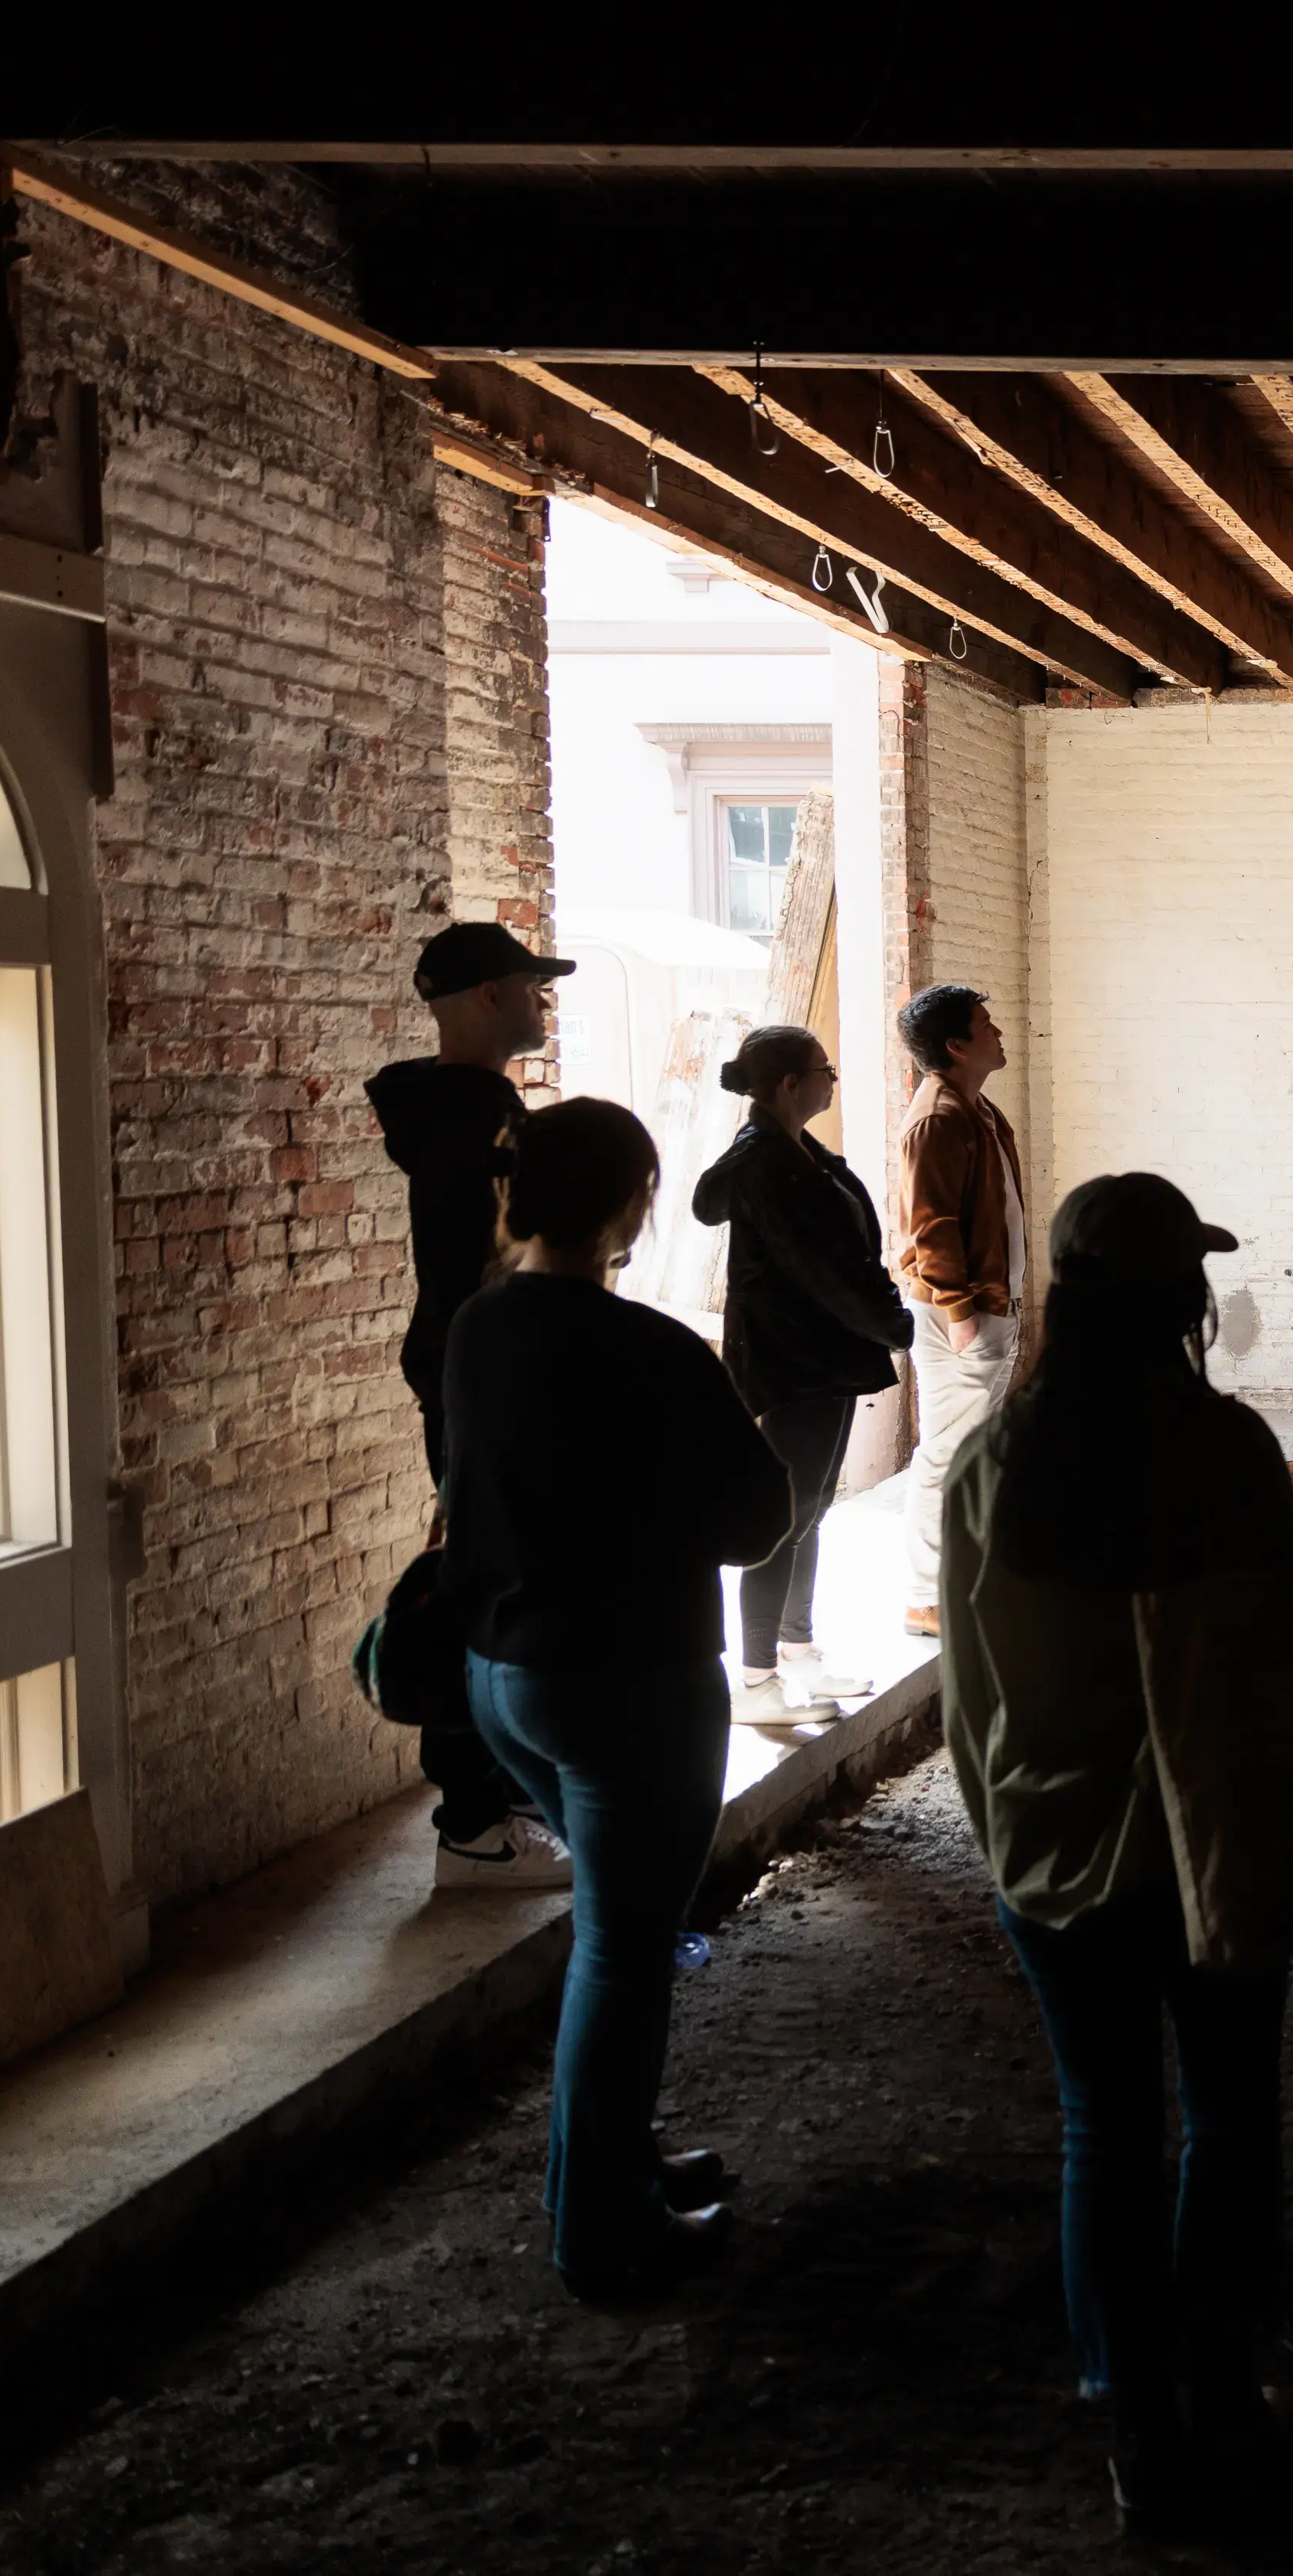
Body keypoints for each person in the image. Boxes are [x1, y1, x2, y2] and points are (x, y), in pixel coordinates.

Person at [943, 1174, 1293, 2536]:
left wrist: (1010, 1841)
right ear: (1180, 1298)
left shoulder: (992, 1463)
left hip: (1061, 1851)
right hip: (1216, 1838)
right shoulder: (1222, 1452)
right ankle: (1225, 2388)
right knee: (1229, 2117)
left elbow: (971, 1699)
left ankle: (1134, 2422)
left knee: (1103, 2126)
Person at [439, 1099, 794, 2301]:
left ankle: (616, 2164)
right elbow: (757, 1523)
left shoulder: (477, 1329)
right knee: (624, 1951)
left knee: (615, 1924)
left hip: (503, 1678)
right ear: (633, 1199)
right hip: (629, 1683)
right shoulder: (656, 1353)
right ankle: (598, 2225)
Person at [366, 919, 576, 1892]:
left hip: (481, 1387)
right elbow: (474, 1282)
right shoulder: (471, 1126)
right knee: (479, 1595)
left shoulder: (472, 1112)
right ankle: (473, 1827)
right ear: (490, 995)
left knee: (503, 1588)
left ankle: (502, 1792)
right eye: (532, 984)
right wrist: (479, 1414)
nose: (544, 1000)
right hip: (481, 1391)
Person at [691, 1026, 913, 1727]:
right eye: (826, 1070)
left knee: (811, 1507)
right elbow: (821, 1270)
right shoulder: (767, 1161)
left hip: (820, 1357)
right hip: (798, 1360)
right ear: (791, 1085)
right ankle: (756, 1678)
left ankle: (797, 1649)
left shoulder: (791, 1151)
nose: (832, 1080)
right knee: (786, 1515)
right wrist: (897, 1326)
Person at [892, 983, 1025, 1641]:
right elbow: (930, 1226)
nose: (997, 1031)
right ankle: (926, 1597)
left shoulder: (976, 1109)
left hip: (988, 1306)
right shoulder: (938, 1118)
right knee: (947, 1453)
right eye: (984, 1023)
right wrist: (961, 1314)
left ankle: (961, 1582)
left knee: (971, 1450)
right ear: (956, 1045)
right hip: (961, 1317)